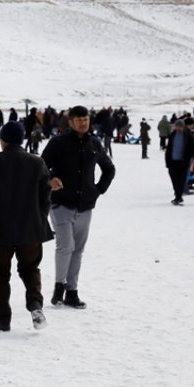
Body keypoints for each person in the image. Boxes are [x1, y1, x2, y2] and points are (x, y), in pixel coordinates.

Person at [41, 105, 115, 309]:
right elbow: (41, 166)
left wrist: (98, 190)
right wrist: (51, 180)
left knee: (78, 250)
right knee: (66, 246)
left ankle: (71, 291)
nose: (83, 123)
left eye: (86, 119)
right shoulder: (58, 143)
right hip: (61, 204)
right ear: (71, 122)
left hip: (85, 206)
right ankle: (59, 287)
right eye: (79, 119)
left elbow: (109, 169)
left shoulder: (94, 143)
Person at [0, 121, 51, 332]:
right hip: (30, 229)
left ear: (2, 141)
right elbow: (45, 197)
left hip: (0, 230)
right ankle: (35, 306)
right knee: (30, 269)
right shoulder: (37, 162)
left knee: (0, 274)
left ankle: (3, 318)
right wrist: (40, 218)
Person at [164, 119, 194, 205]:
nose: (178, 128)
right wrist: (167, 161)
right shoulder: (172, 135)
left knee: (181, 181)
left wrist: (188, 158)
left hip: (182, 162)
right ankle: (178, 194)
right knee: (174, 179)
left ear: (183, 126)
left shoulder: (188, 136)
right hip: (172, 161)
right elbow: (169, 149)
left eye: (180, 126)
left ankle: (178, 197)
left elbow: (192, 149)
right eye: (177, 126)